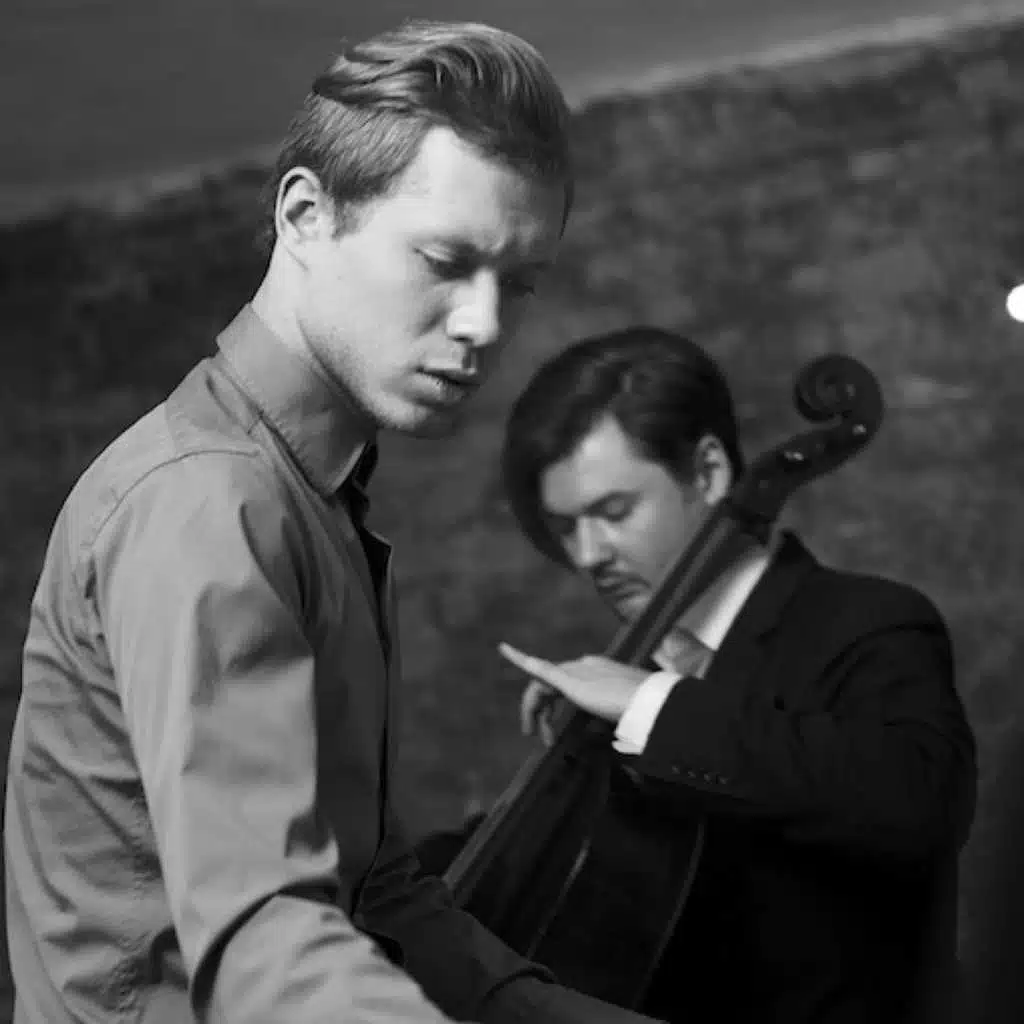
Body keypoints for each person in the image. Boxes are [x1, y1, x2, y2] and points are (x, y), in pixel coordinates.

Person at [3, 21, 666, 1024]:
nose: (484, 324)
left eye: (517, 282)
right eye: (444, 259)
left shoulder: (309, 493)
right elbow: (266, 944)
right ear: (306, 215)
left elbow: (378, 893)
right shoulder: (206, 502)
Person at [489, 327, 977, 1023]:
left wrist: (651, 705)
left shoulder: (869, 621)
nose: (588, 554)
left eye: (614, 511)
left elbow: (917, 801)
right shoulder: (629, 677)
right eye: (566, 527)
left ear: (709, 471)